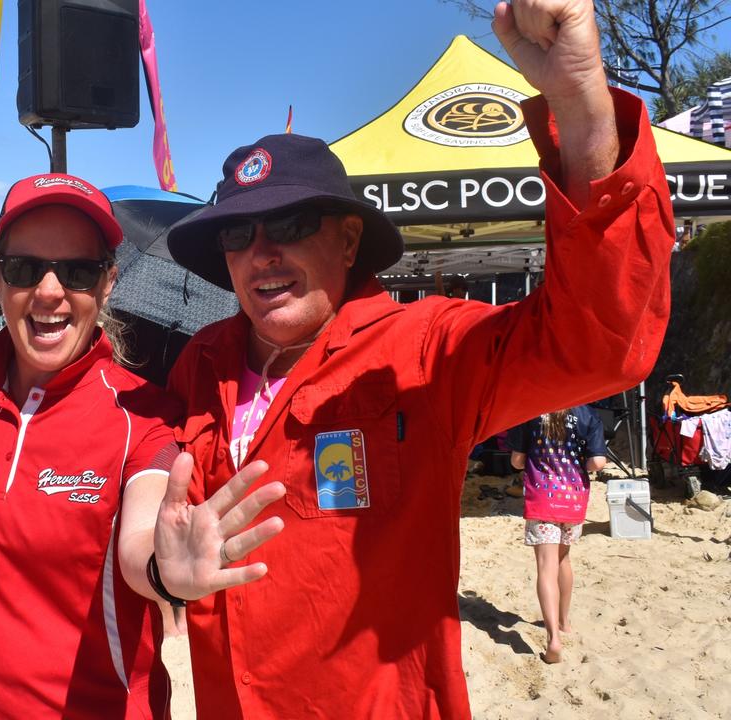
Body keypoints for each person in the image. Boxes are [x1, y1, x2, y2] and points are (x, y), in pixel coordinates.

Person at [159, 1, 672, 717]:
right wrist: (161, 574)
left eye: (291, 223)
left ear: (346, 241)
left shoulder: (425, 349)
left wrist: (580, 101)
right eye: (238, 233)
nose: (261, 251)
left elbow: (601, 344)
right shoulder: (199, 366)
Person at [0, 173, 284, 718]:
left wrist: (164, 571)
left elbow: (141, 536)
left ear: (108, 282)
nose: (49, 291)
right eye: (25, 269)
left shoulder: (142, 412)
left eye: (77, 272)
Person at [508, 406, 606, 664]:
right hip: (573, 497)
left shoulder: (528, 411)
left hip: (543, 497)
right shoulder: (588, 415)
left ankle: (553, 639)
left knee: (545, 566)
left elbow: (516, 461)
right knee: (563, 560)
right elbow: (597, 463)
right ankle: (564, 622)